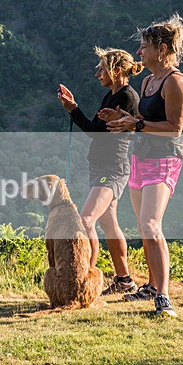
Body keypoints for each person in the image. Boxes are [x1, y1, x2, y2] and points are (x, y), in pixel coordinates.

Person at [101, 14, 183, 317]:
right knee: (143, 226)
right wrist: (124, 121)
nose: (140, 52)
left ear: (162, 49)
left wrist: (136, 125)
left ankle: (164, 298)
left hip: (164, 161)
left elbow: (174, 128)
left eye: (144, 46)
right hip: (141, 157)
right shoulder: (149, 80)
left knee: (152, 225)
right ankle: (151, 285)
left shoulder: (175, 82)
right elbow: (144, 121)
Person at [56, 48, 142, 296]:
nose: (97, 74)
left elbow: (97, 133)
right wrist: (73, 108)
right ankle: (124, 280)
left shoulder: (126, 97)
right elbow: (95, 128)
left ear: (115, 71)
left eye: (101, 68)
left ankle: (85, 278)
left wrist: (74, 110)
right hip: (103, 167)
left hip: (111, 169)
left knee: (86, 220)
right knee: (108, 224)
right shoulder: (112, 96)